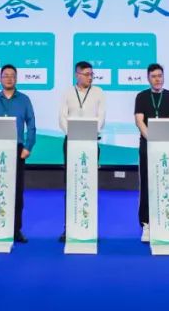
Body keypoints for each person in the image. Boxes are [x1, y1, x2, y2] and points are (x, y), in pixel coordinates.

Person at [0, 64, 36, 243]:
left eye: (12, 75)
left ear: (16, 79)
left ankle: (16, 230)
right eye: (6, 75)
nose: (9, 78)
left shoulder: (24, 100)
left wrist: (28, 147)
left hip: (17, 149)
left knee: (17, 191)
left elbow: (31, 125)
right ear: (0, 78)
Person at [58, 60, 106, 242]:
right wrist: (73, 135)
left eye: (91, 74)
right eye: (86, 74)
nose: (90, 77)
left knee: (89, 184)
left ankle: (89, 227)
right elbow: (62, 117)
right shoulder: (67, 92)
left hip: (91, 142)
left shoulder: (99, 92)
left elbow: (101, 117)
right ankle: (68, 227)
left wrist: (90, 133)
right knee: (71, 185)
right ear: (77, 75)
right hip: (71, 142)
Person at [133, 63, 169, 242]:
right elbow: (139, 121)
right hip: (147, 146)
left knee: (166, 183)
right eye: (153, 76)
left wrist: (163, 139)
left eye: (160, 75)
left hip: (167, 147)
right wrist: (151, 139)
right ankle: (146, 224)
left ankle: (166, 221)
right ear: (148, 78)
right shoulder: (142, 96)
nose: (157, 79)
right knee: (147, 183)